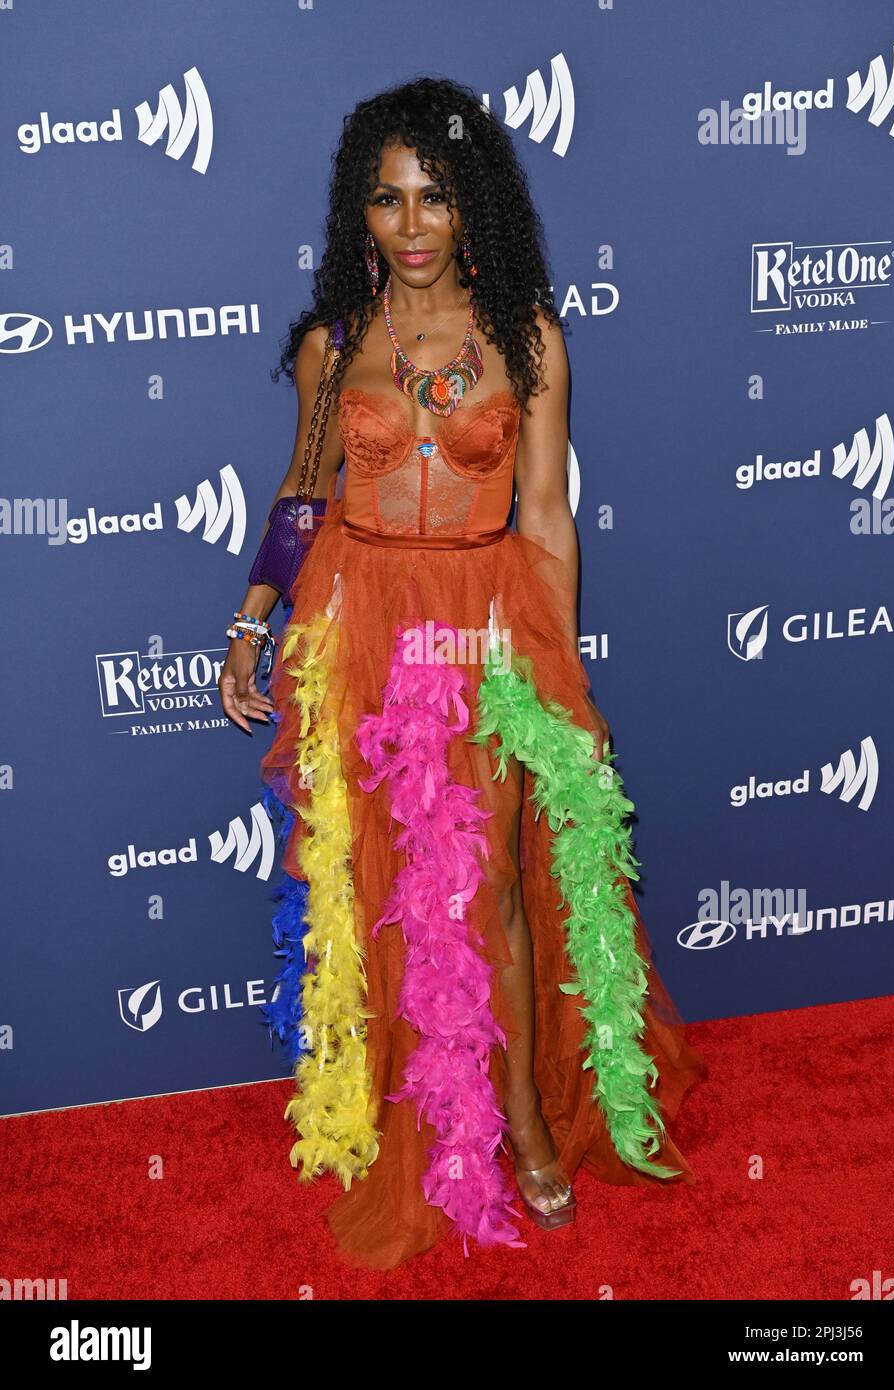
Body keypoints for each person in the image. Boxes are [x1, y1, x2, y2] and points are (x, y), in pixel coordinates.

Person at [218, 76, 707, 1270]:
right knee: (379, 882)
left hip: (483, 627)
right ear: (360, 215)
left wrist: (561, 673)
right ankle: (408, 1108)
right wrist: (249, 622)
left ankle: (528, 1125)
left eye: (434, 196)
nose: (413, 222)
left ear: (471, 204)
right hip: (361, 618)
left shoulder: (527, 337)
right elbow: (300, 495)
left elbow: (544, 514)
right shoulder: (334, 348)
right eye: (387, 201)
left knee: (484, 885)